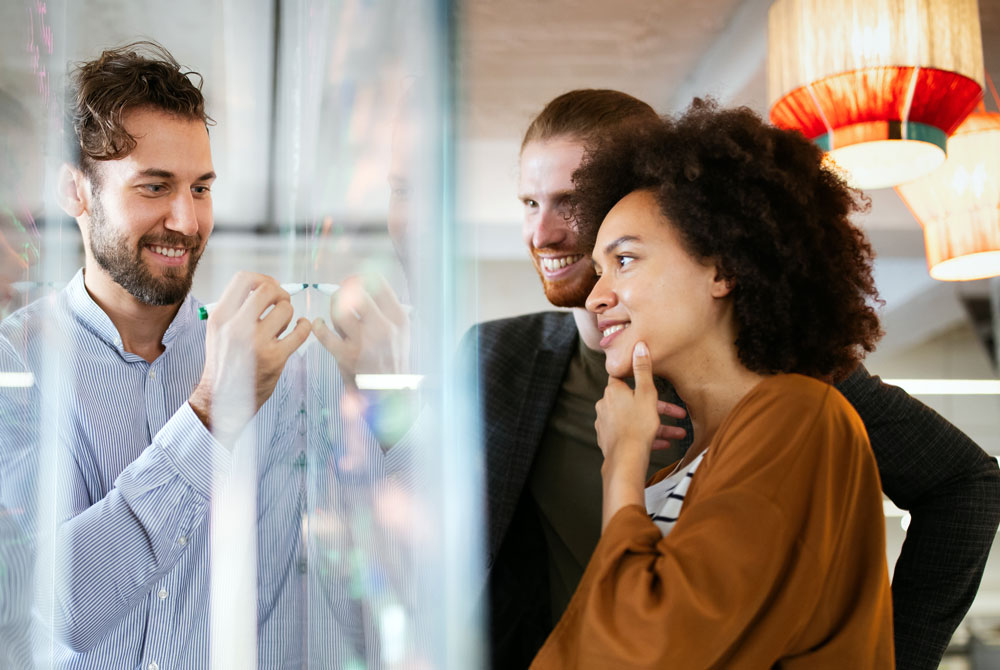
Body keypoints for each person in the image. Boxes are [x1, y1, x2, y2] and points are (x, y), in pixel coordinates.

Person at [472, 89, 1000, 669]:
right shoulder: (498, 358)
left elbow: (962, 483)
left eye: (570, 201)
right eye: (529, 202)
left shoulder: (793, 396)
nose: (542, 232)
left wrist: (894, 658)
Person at [532, 99, 893, 668]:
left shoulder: (799, 417)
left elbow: (648, 647)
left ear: (723, 270)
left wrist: (622, 460)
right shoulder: (685, 466)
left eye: (625, 260)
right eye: (599, 271)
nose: (597, 297)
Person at [0, 42, 311, 668]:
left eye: (201, 188)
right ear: (75, 192)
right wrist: (209, 417)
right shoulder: (14, 366)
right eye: (155, 186)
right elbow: (51, 607)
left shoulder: (279, 365)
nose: (187, 221)